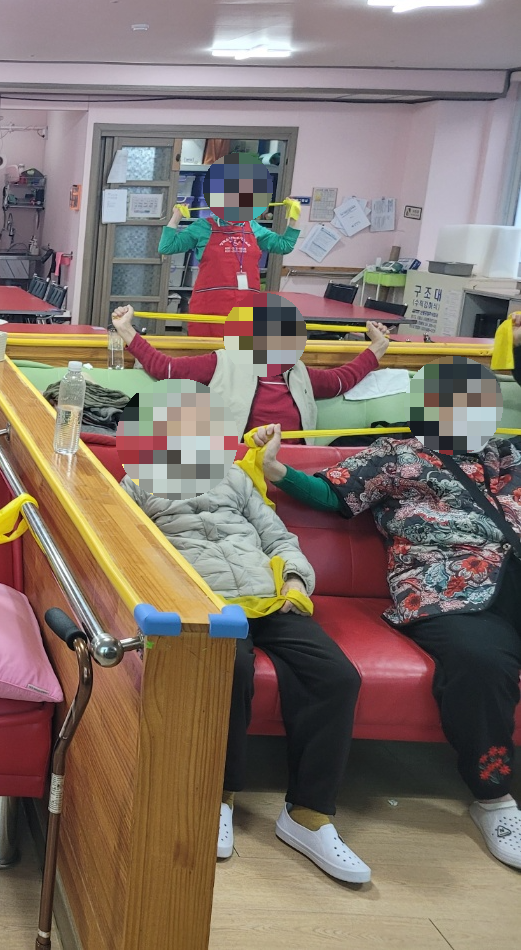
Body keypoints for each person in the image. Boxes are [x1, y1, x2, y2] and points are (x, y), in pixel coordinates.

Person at [251, 359, 521, 871]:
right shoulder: (397, 455)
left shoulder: (509, 454)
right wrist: (277, 469)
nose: (478, 414)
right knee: (480, 662)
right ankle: (494, 797)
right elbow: (332, 493)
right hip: (446, 585)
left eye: (485, 404)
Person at [118, 381, 369, 882]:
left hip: (269, 597)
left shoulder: (234, 476)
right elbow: (130, 552)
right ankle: (218, 797)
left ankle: (309, 815)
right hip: (206, 605)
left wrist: (295, 578)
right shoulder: (135, 486)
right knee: (228, 669)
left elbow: (278, 536)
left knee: (337, 676)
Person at [111, 296, 390, 440]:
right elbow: (167, 369)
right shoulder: (222, 362)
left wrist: (377, 347)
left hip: (292, 466)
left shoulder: (296, 371)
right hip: (239, 464)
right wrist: (126, 331)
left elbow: (340, 381)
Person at [159, 155, 299, 336]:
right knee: (206, 352)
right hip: (209, 308)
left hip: (246, 309)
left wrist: (293, 219)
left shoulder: (253, 227)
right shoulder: (203, 227)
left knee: (242, 352)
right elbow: (167, 247)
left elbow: (284, 245)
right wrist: (175, 218)